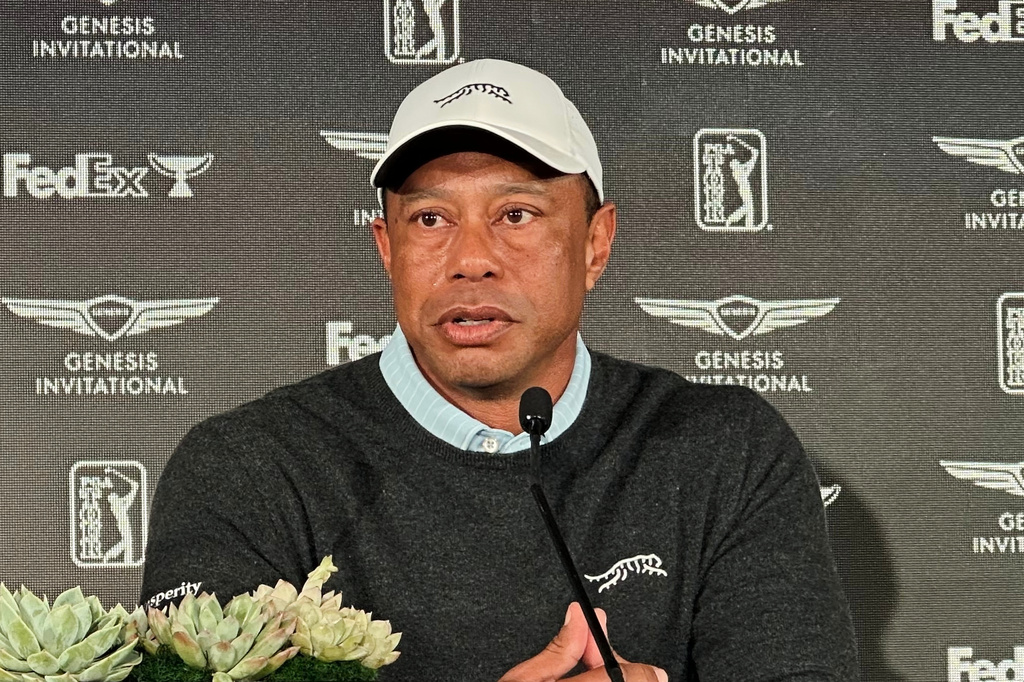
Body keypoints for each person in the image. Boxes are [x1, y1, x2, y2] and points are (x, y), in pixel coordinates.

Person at [141, 59, 859, 680]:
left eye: (517, 214)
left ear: (595, 243)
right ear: (386, 247)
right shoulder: (247, 466)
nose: (470, 257)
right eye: (430, 219)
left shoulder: (724, 451)